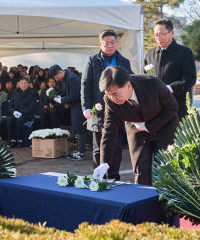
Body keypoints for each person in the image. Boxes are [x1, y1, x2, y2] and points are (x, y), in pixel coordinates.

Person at [93, 66, 179, 185]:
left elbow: (172, 107)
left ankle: (167, 201)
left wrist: (149, 126)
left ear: (128, 85)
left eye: (115, 93)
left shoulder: (151, 83)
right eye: (109, 94)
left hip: (164, 126)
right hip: (137, 129)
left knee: (165, 168)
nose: (113, 98)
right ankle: (143, 199)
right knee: (140, 169)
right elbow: (109, 130)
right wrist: (104, 162)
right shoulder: (109, 100)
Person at [81, 30, 132, 179]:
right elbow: (85, 85)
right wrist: (86, 107)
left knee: (116, 146)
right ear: (100, 44)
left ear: (117, 43)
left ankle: (114, 176)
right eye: (106, 43)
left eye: (113, 42)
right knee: (98, 147)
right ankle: (99, 178)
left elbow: (130, 84)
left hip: (118, 109)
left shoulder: (124, 62)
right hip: (98, 110)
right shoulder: (93, 60)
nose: (110, 46)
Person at [144, 19, 196, 120]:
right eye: (156, 35)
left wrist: (170, 88)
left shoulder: (184, 52)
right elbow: (145, 77)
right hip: (156, 108)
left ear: (171, 33)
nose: (158, 38)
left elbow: (190, 79)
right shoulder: (150, 54)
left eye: (162, 34)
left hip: (177, 106)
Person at [50, 65, 87, 160]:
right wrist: (58, 96)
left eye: (55, 77)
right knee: (76, 127)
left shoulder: (71, 79)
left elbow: (74, 96)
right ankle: (79, 149)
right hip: (75, 105)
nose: (56, 79)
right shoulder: (66, 77)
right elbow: (67, 92)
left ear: (59, 72)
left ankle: (81, 152)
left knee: (79, 128)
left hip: (79, 105)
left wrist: (61, 100)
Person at [6, 78, 37, 148]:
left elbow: (32, 107)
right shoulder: (14, 92)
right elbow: (10, 106)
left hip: (27, 114)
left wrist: (21, 113)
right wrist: (13, 112)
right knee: (9, 120)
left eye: (25, 83)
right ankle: (11, 140)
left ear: (28, 84)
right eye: (21, 83)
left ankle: (20, 140)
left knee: (20, 120)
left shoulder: (32, 93)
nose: (23, 84)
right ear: (19, 84)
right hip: (16, 114)